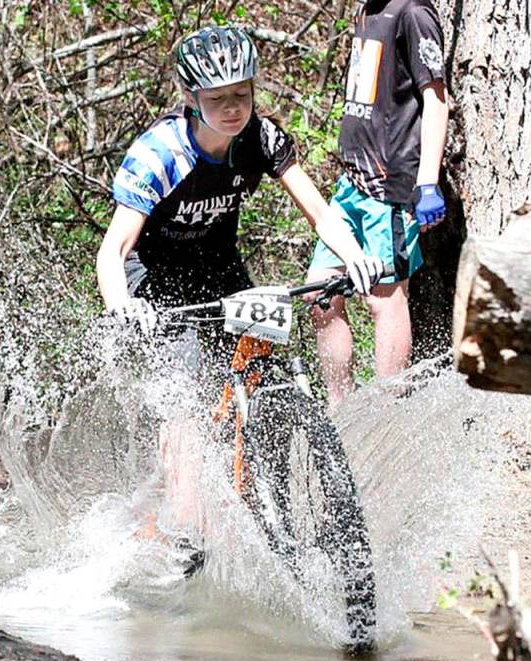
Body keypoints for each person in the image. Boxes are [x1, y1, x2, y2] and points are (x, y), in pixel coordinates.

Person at [95, 26, 384, 549]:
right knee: (184, 400)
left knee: (264, 370)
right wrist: (123, 307)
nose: (233, 108)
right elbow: (112, 251)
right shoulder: (159, 153)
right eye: (217, 99)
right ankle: (185, 534)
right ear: (190, 98)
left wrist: (356, 255)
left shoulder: (263, 139)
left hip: (219, 266)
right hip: (155, 278)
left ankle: (264, 492)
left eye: (242, 95)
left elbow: (320, 212)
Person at [305, 0, 450, 405]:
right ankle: (343, 407)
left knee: (383, 298)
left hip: (391, 189)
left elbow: (437, 100)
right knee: (320, 292)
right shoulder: (366, 10)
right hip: (351, 183)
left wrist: (427, 182)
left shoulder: (413, 12)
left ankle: (387, 412)